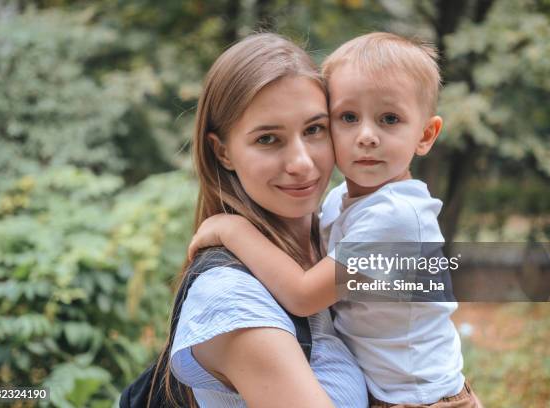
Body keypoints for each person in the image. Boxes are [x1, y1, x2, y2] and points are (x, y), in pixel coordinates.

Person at [188, 32, 482, 407]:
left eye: (389, 119)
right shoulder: (337, 204)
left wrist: (232, 229)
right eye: (347, 117)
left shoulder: (398, 218)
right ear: (222, 151)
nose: (367, 136)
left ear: (425, 135)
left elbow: (304, 294)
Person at [150, 33, 368, 408]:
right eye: (268, 139)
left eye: (314, 129)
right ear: (223, 152)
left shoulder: (338, 230)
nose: (301, 162)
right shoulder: (231, 300)